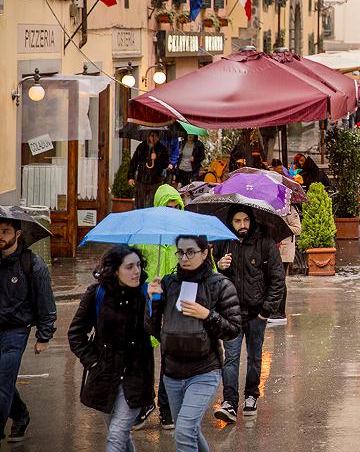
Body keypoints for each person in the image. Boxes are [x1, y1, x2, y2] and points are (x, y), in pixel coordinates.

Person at [145, 235, 240, 451]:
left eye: (190, 252)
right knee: (189, 430)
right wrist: (152, 300)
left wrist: (207, 314)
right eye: (180, 252)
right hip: (172, 373)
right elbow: (152, 327)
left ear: (205, 252)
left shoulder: (220, 285)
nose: (184, 258)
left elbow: (233, 329)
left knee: (185, 431)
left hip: (204, 371)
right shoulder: (168, 283)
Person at [68, 246, 154, 452]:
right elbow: (76, 334)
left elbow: (158, 331)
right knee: (119, 435)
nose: (137, 271)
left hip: (136, 376)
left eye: (139, 265)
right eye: (130, 267)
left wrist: (155, 302)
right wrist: (93, 361)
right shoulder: (97, 293)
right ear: (115, 270)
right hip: (105, 374)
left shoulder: (146, 293)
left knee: (116, 435)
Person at [213, 207, 285, 422]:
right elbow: (211, 279)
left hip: (256, 314)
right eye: (237, 221)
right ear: (231, 222)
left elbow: (277, 279)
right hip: (231, 314)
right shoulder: (223, 242)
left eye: (245, 220)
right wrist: (219, 267)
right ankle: (229, 402)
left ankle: (252, 395)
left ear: (251, 221)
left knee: (254, 358)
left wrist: (265, 311)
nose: (242, 225)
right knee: (231, 358)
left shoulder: (265, 242)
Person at [0, 213, 56, 443]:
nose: (0, 236)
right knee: (4, 381)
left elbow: (46, 303)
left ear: (18, 234)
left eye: (5, 232)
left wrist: (44, 336)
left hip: (16, 331)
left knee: (2, 383)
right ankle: (20, 415)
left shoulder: (32, 265)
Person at [132, 184, 184, 430]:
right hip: (146, 305)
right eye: (168, 206)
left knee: (168, 359)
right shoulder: (144, 237)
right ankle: (144, 402)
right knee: (142, 358)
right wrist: (144, 287)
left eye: (176, 207)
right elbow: (132, 267)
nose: (172, 211)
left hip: (173, 307)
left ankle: (166, 408)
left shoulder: (186, 237)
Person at [271, 202, 302, 325]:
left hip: (284, 251)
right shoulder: (270, 207)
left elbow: (297, 229)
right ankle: (274, 310)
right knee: (274, 279)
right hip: (272, 250)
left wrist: (281, 227)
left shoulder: (289, 209)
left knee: (280, 280)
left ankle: (280, 312)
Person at [128, 131, 170, 209]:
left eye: (155, 136)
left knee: (153, 204)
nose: (153, 138)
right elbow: (134, 162)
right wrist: (131, 176)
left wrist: (157, 158)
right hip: (142, 180)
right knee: (140, 204)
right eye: (151, 136)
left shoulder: (162, 148)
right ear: (148, 136)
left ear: (158, 137)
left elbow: (165, 164)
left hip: (155, 181)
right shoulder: (142, 147)